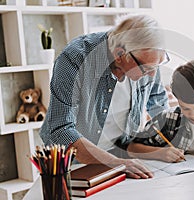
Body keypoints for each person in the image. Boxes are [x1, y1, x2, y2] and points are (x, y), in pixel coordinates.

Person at [39, 14, 170, 179]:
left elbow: (158, 100)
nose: (152, 75)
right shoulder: (74, 59)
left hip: (121, 156)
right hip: (73, 163)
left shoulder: (146, 59)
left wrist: (168, 139)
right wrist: (116, 163)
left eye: (157, 66)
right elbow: (62, 129)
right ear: (120, 55)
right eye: (147, 69)